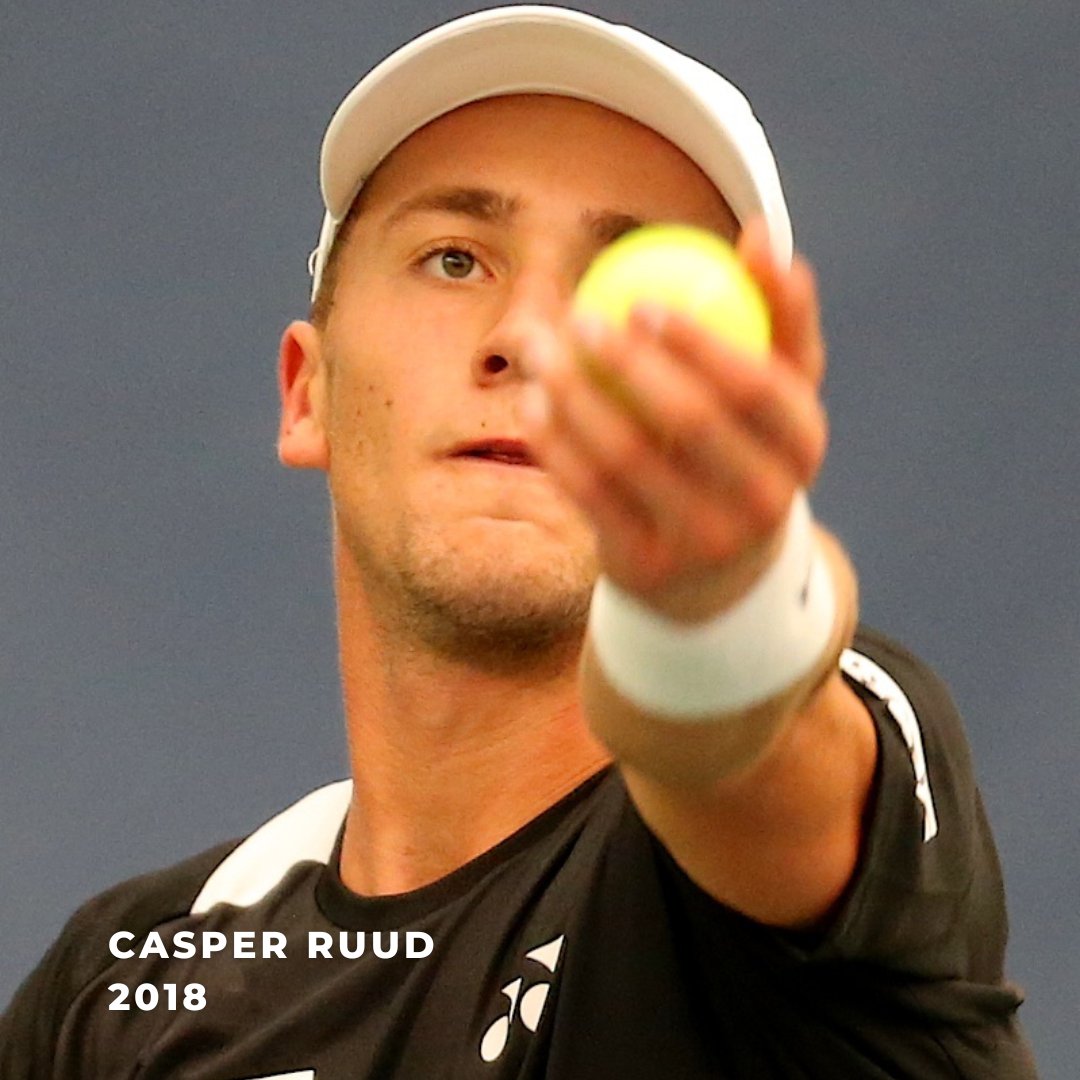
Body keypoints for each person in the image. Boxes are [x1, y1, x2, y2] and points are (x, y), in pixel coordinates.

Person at [0, 6, 1037, 1077]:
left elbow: (757, 749)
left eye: (630, 285)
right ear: (308, 391)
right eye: (455, 259)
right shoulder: (122, 989)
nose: (530, 339)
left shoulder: (834, 778)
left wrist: (715, 600)